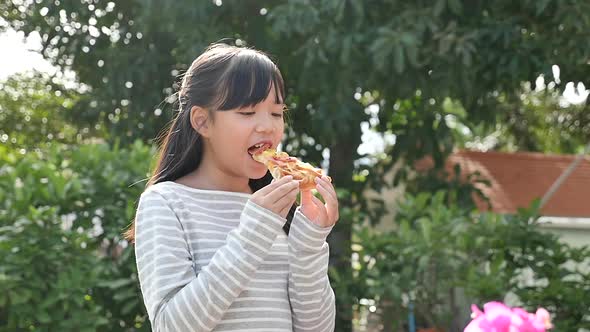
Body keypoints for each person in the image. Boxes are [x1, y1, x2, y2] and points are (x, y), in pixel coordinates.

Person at [124, 43, 338, 332]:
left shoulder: (275, 208)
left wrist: (310, 244)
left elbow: (316, 328)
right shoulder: (166, 202)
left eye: (276, 113)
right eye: (248, 112)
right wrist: (255, 231)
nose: (267, 127)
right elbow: (171, 326)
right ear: (202, 121)